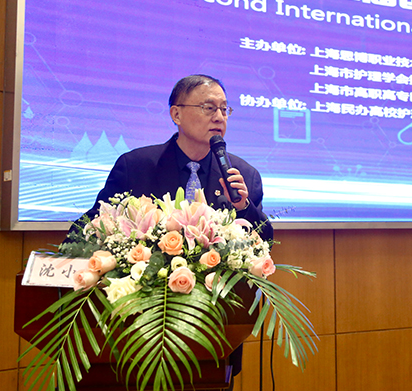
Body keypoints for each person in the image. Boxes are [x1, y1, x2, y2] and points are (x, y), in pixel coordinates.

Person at [69, 74, 273, 389]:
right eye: (208, 107)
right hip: (135, 334)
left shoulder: (243, 175)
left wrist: (244, 207)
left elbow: (264, 244)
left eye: (224, 109)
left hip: (214, 339)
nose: (219, 117)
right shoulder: (136, 166)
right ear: (176, 114)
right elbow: (89, 228)